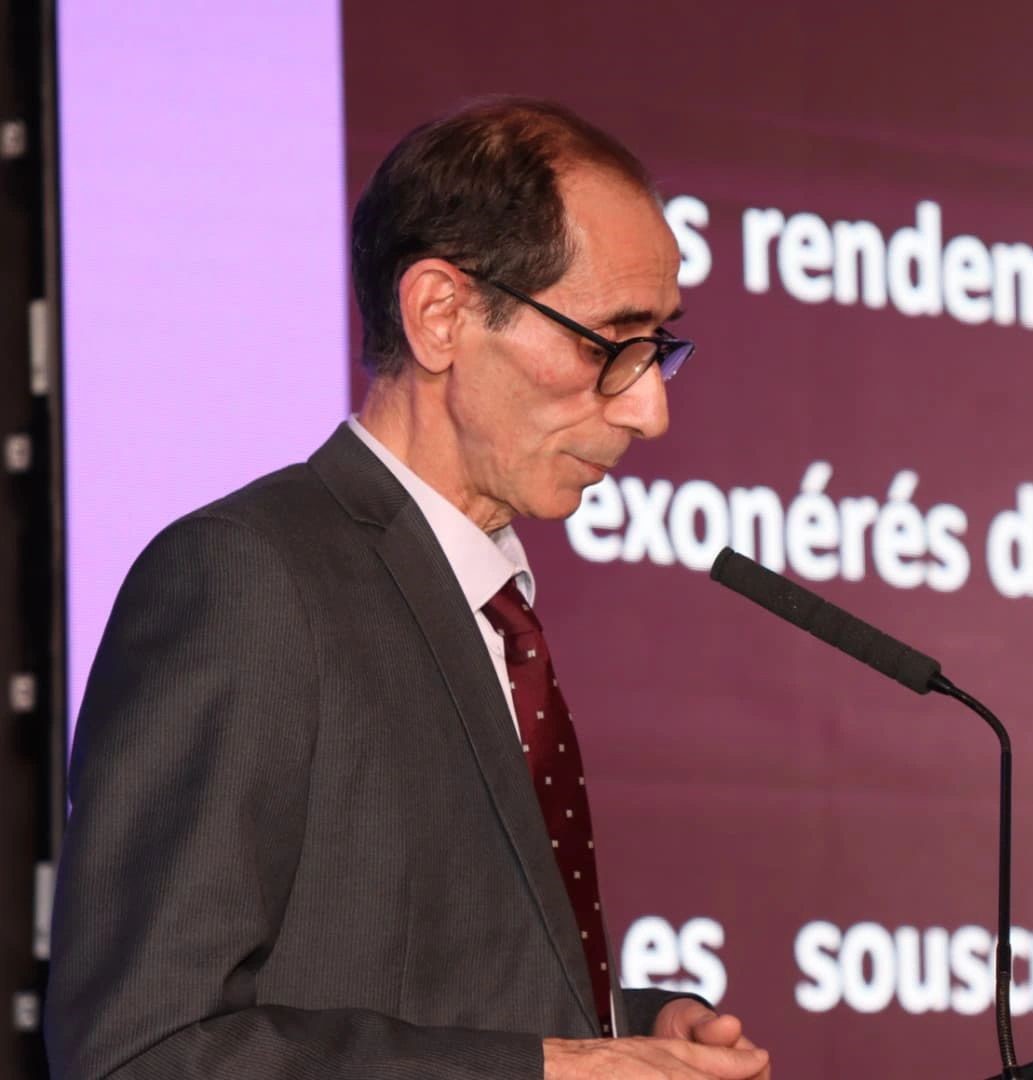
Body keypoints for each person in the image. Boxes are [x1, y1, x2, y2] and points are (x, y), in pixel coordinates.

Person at [46, 99, 770, 1080]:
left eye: (658, 347)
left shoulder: (492, 610)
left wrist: (627, 1029)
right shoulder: (247, 579)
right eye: (609, 343)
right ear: (440, 315)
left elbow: (422, 983)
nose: (650, 410)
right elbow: (143, 1048)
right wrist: (548, 1072)